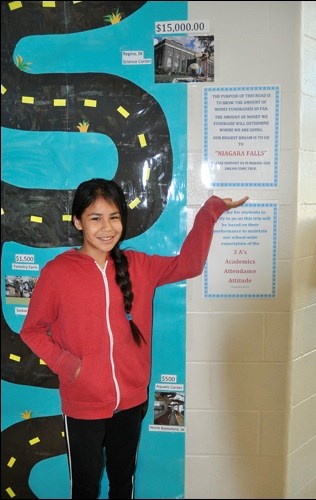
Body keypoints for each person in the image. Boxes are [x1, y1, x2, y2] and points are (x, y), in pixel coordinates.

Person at [20, 178, 249, 499]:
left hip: (131, 402)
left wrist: (212, 210)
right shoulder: (57, 273)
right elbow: (31, 329)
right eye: (95, 218)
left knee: (122, 481)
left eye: (114, 217)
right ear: (77, 222)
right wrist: (66, 363)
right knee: (84, 487)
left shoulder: (139, 265)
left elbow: (190, 264)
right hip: (83, 403)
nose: (106, 227)